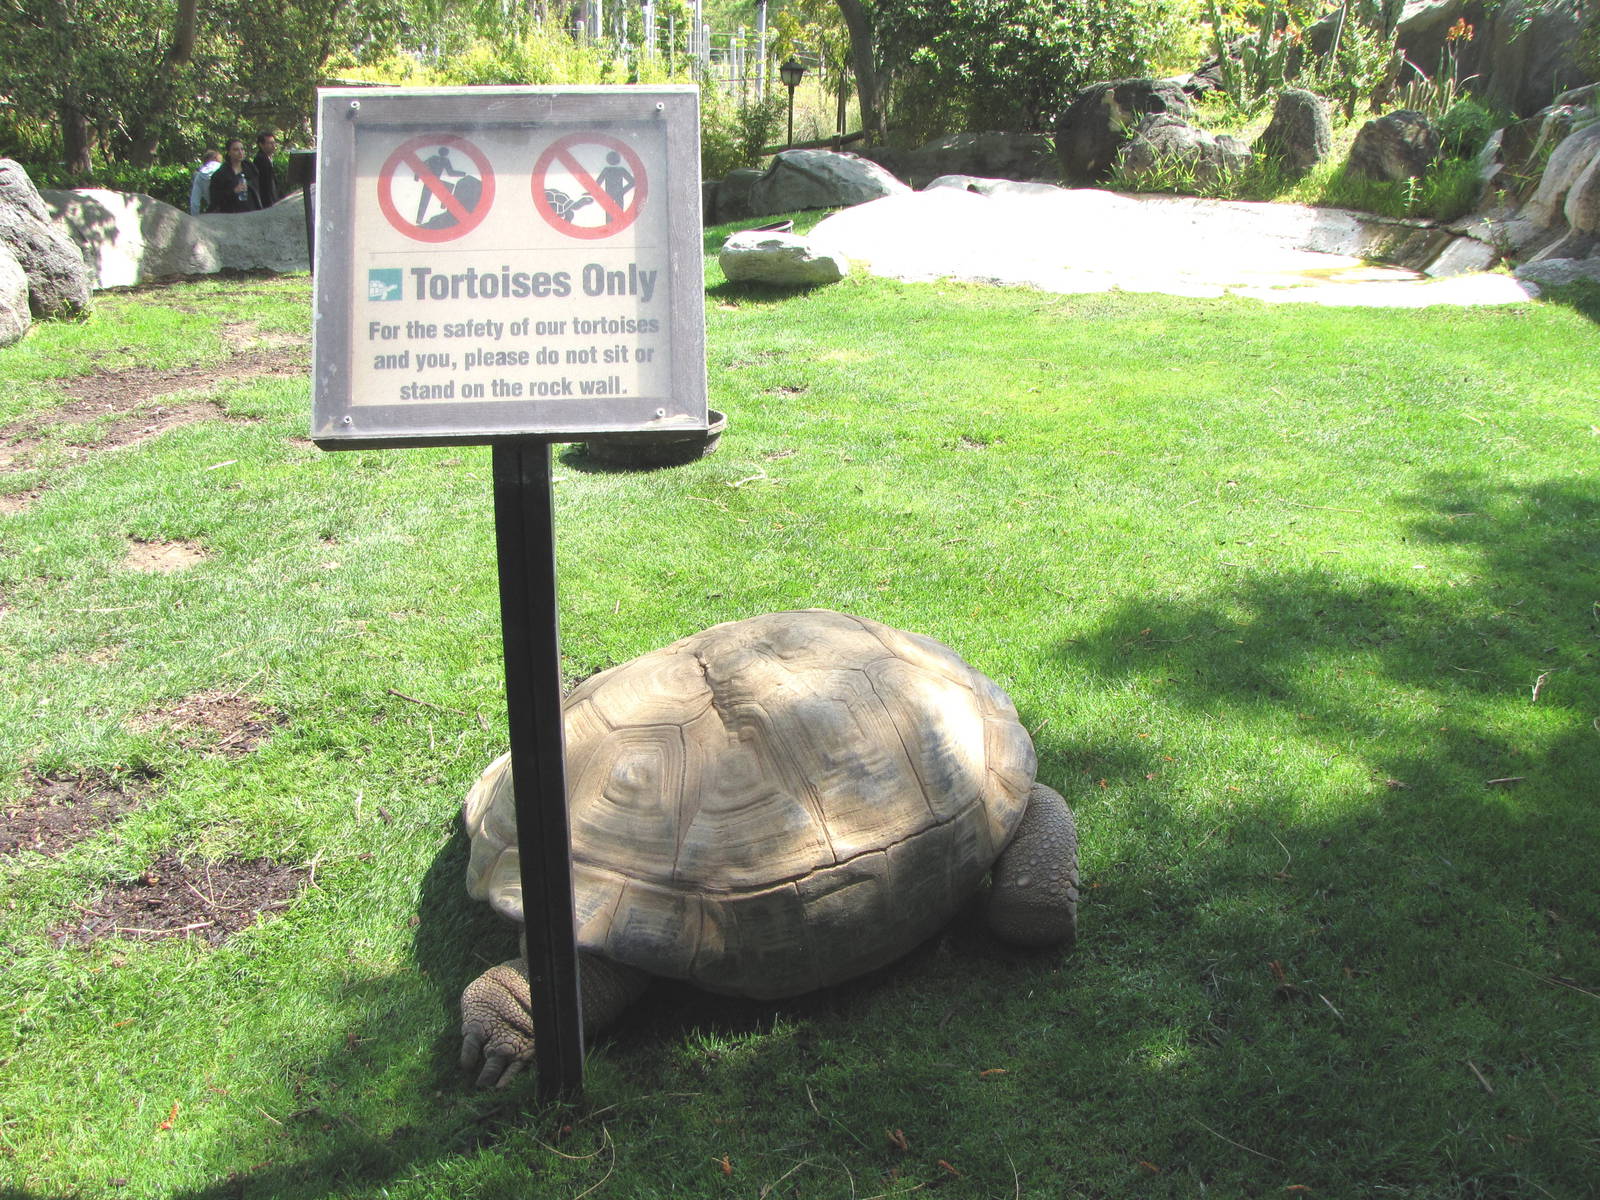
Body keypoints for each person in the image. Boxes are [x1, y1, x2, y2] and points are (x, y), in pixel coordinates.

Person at [210, 138, 261, 213]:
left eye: (242, 149)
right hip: (232, 213)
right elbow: (215, 198)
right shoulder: (220, 174)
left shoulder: (250, 167)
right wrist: (234, 191)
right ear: (229, 152)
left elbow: (258, 186)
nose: (240, 152)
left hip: (252, 210)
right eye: (236, 150)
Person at [188, 150, 221, 215]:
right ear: (216, 158)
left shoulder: (199, 175)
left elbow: (194, 203)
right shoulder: (222, 168)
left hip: (214, 210)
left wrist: (194, 219)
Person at [252, 130, 279, 208]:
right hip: (267, 202)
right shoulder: (261, 159)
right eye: (270, 143)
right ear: (261, 145)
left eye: (274, 143)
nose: (273, 146)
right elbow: (267, 185)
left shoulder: (267, 158)